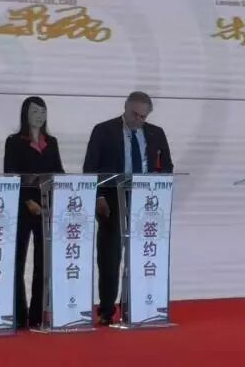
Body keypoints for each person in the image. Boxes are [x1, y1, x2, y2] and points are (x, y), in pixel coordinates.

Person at [82, 91, 174, 326]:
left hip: (145, 199)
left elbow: (167, 167)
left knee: (143, 253)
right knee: (110, 255)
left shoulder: (156, 133)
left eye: (144, 117)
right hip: (112, 198)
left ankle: (138, 305)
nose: (139, 120)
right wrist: (98, 196)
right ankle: (106, 309)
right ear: (125, 107)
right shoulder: (103, 130)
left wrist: (158, 186)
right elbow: (90, 167)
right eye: (135, 115)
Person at [3, 96, 64, 329]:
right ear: (25, 114)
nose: (39, 116)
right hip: (22, 208)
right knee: (17, 262)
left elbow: (58, 171)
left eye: (43, 112)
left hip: (46, 208)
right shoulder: (14, 142)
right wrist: (28, 200)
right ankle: (19, 315)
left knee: (43, 263)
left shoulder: (52, 142)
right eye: (35, 112)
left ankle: (38, 315)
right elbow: (11, 174)